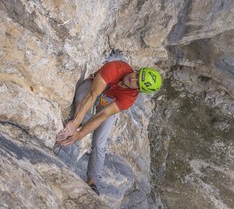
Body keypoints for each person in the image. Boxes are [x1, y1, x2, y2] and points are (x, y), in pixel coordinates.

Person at [55, 60, 162, 195]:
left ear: (139, 89)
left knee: (100, 142)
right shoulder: (116, 68)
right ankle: (67, 134)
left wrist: (80, 135)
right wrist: (76, 123)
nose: (132, 78)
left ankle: (92, 181)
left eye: (137, 82)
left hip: (107, 102)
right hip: (92, 87)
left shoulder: (128, 98)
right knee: (82, 98)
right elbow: (92, 95)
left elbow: (104, 114)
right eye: (137, 74)